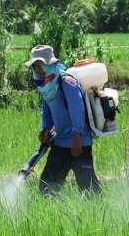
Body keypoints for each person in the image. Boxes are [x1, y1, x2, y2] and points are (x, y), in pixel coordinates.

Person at [25, 45, 101, 196]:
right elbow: (47, 110)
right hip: (60, 143)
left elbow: (77, 108)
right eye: (34, 66)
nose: (38, 70)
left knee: (89, 190)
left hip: (78, 144)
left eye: (40, 65)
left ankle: (101, 214)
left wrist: (77, 135)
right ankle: (53, 215)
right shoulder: (46, 86)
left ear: (49, 64)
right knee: (47, 187)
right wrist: (45, 129)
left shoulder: (66, 82)